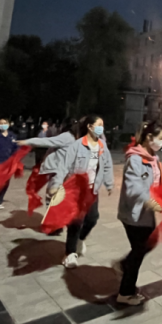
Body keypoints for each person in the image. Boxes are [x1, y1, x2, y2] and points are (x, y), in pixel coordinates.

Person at [52, 115, 114, 268]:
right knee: (75, 221)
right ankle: (70, 253)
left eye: (102, 126)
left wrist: (109, 183)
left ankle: (80, 239)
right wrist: (56, 184)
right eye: (98, 125)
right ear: (89, 127)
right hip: (76, 189)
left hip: (92, 189)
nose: (101, 129)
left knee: (92, 218)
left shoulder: (102, 146)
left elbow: (107, 164)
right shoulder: (76, 145)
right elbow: (64, 166)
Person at [115, 121, 162, 305]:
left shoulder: (153, 158)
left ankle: (125, 265)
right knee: (139, 251)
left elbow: (156, 183)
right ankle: (125, 293)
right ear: (149, 137)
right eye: (160, 138)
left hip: (145, 213)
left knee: (146, 244)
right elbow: (133, 188)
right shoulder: (135, 159)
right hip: (134, 215)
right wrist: (148, 201)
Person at [19, 118, 81, 236]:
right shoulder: (75, 138)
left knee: (53, 198)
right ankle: (57, 225)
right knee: (58, 198)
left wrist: (26, 142)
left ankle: (55, 226)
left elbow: (46, 141)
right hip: (64, 171)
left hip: (59, 172)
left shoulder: (67, 137)